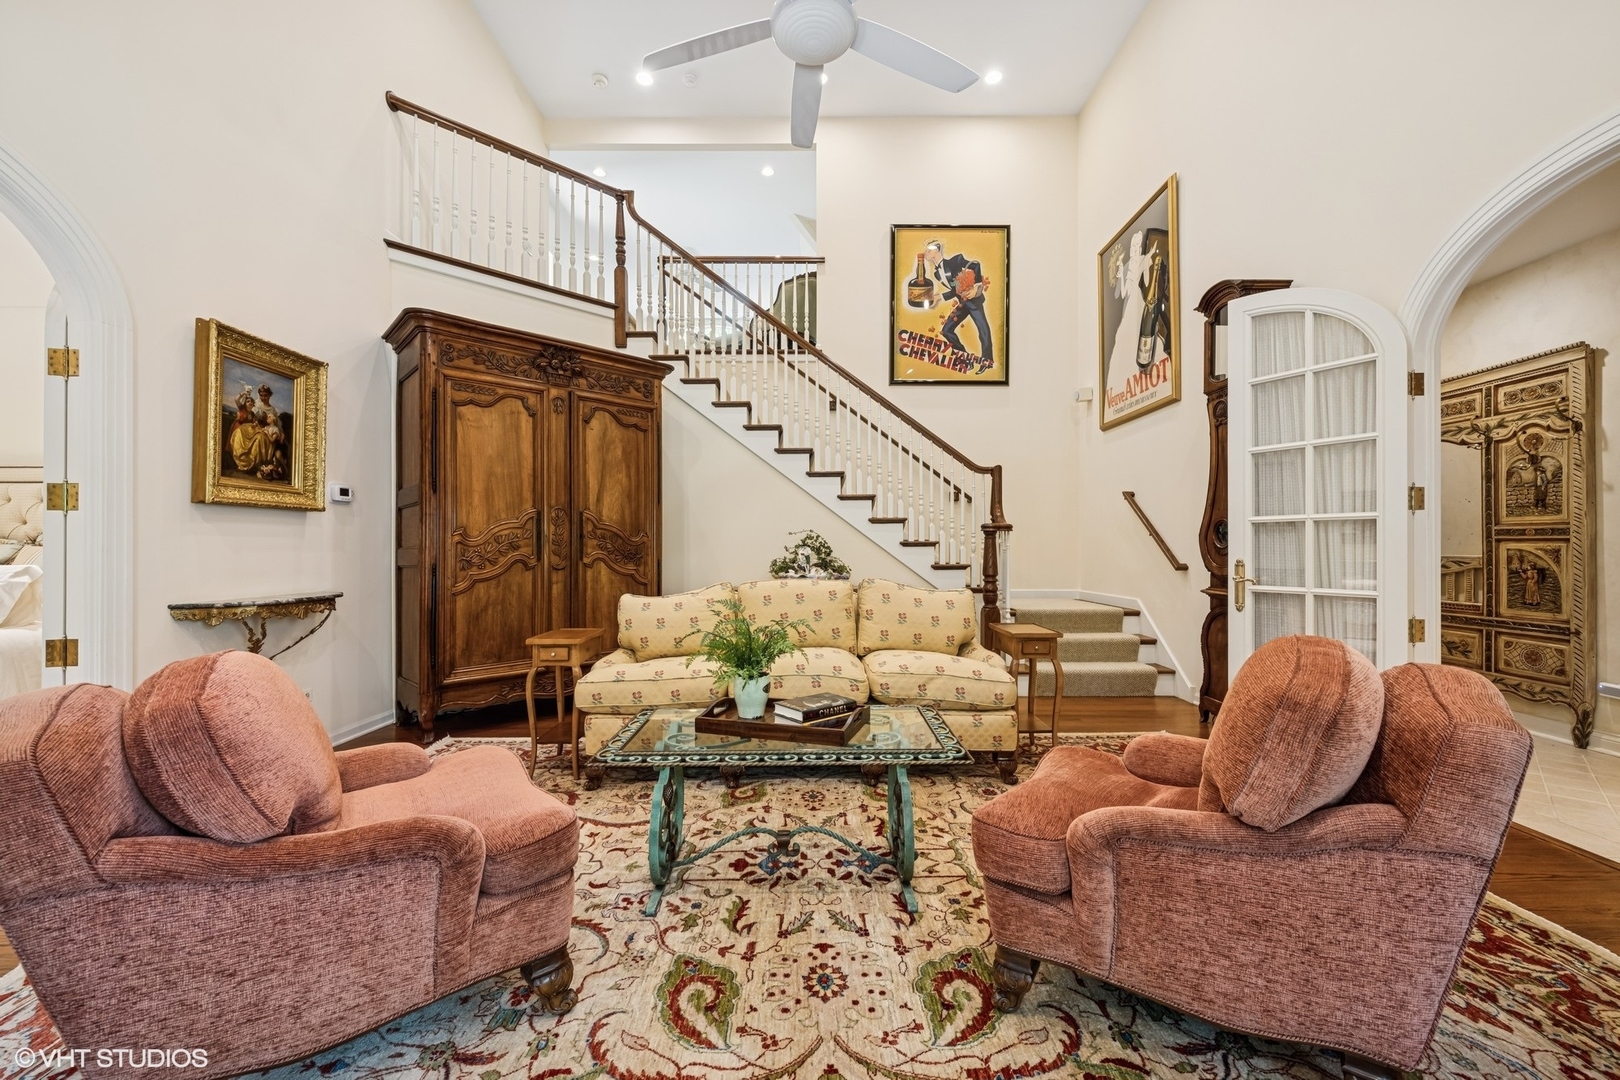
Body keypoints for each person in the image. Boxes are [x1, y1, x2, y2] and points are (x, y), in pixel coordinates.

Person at [923, 239, 994, 371]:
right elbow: (954, 289)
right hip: (962, 303)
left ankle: (987, 361)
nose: (926, 252)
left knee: (983, 330)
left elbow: (976, 265)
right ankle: (965, 359)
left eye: (928, 250)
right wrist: (938, 297)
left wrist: (976, 287)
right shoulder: (937, 273)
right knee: (946, 330)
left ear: (936, 250)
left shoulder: (956, 260)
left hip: (973, 301)